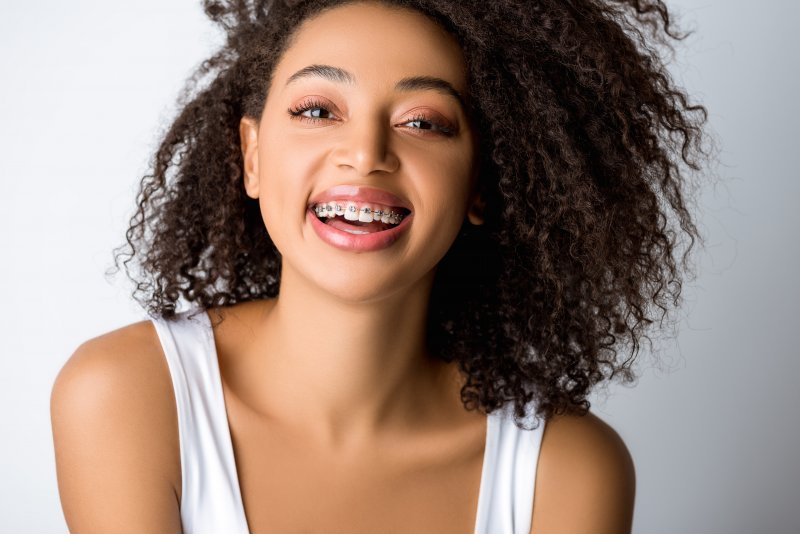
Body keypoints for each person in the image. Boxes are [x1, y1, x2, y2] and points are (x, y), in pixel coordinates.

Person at [50, 0, 708, 532]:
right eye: (317, 110)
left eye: (424, 122)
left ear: (482, 182)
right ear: (251, 156)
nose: (365, 153)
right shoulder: (128, 396)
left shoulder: (565, 472)